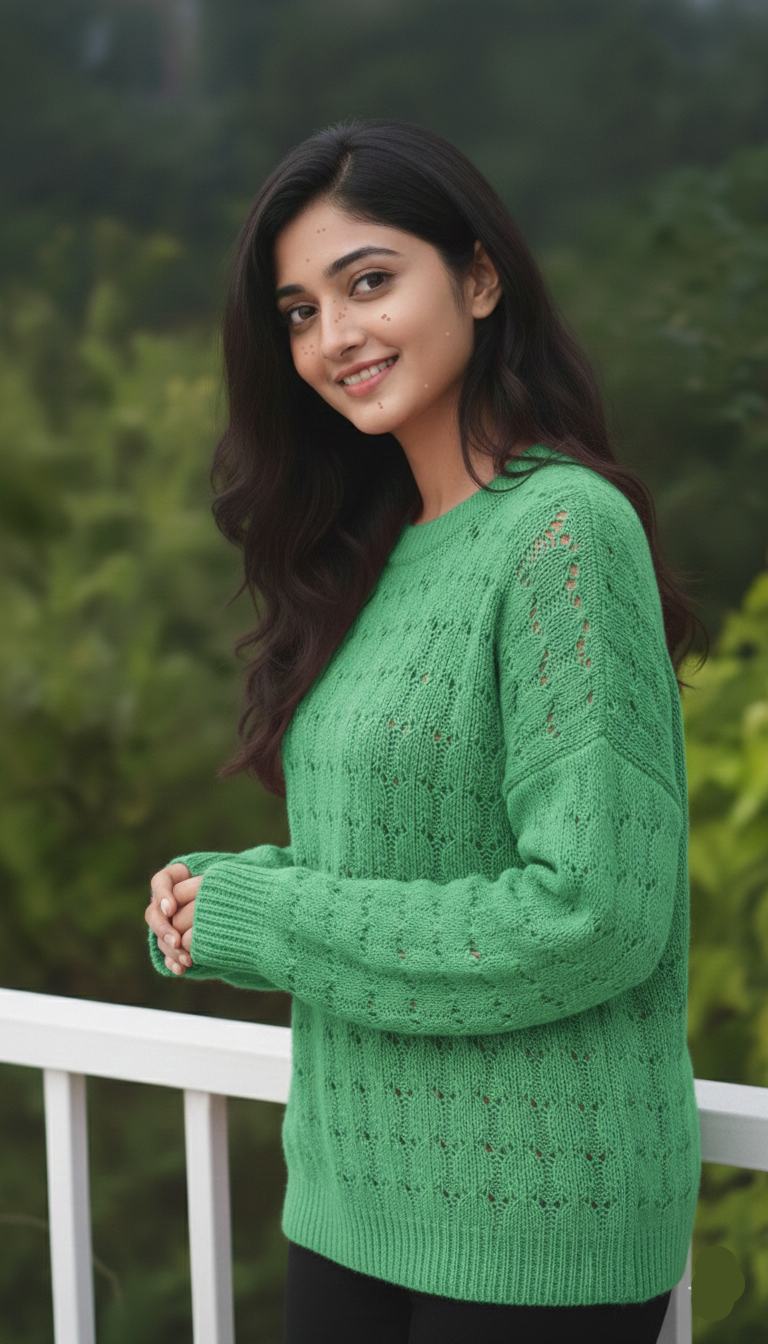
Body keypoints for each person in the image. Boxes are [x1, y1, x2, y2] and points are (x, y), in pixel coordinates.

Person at [145, 118, 706, 1344]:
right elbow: (407, 868)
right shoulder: (372, 557)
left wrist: (277, 919)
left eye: (369, 282)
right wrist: (238, 891)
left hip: (533, 1221)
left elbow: (594, 912)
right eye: (298, 310)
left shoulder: (562, 533)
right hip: (348, 1194)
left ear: (481, 277)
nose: (334, 337)